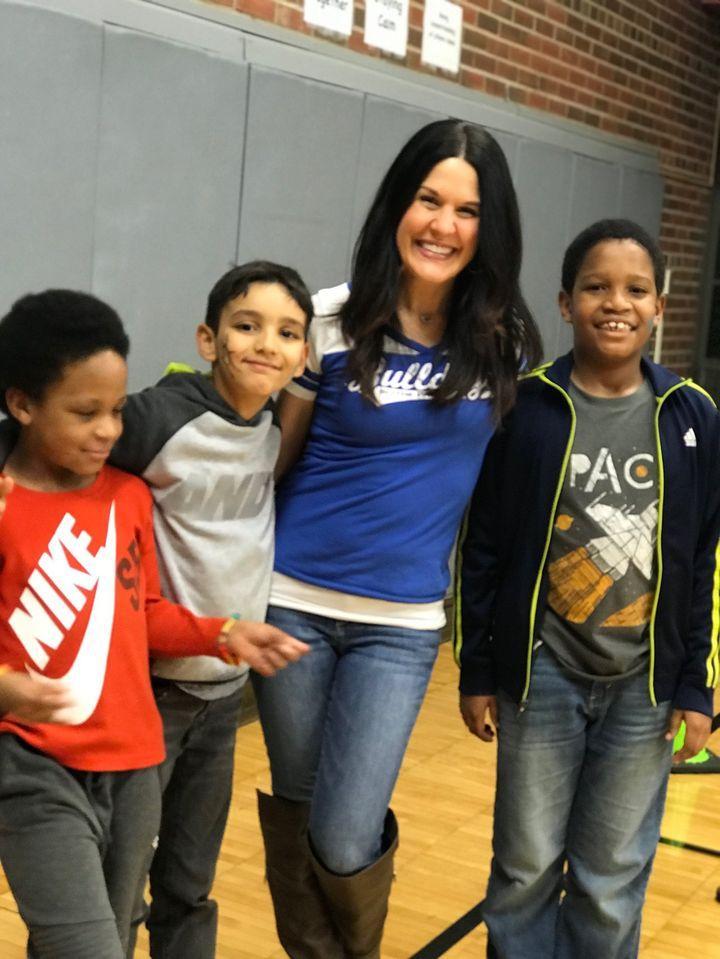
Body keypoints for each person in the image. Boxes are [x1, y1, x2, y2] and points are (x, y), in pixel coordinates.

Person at [252, 118, 543, 958]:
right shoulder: (331, 319)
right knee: (300, 815)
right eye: (428, 199)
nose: (443, 224)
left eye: (467, 209)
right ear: (399, 204)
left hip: (403, 624)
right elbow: (275, 461)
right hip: (292, 607)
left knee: (344, 837)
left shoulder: (503, 341)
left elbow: (495, 498)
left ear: (491, 228)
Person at [0, 289, 307, 959]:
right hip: (30, 763)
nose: (110, 430)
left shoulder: (128, 495)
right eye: (85, 413)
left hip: (135, 761)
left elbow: (142, 615)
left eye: (115, 410)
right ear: (22, 405)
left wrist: (222, 633)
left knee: (111, 930)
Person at [456, 218, 720, 959]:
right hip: (541, 678)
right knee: (526, 865)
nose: (617, 302)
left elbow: (705, 557)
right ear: (566, 302)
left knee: (611, 876)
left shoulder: (691, 415)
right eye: (597, 286)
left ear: (659, 306)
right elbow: (484, 546)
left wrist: (698, 685)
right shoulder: (527, 406)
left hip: (646, 686)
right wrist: (479, 665)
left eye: (636, 289)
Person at [106, 261, 313, 958]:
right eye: (246, 325)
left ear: (303, 354)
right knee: (116, 885)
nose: (266, 343)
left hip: (223, 701)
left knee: (189, 884)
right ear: (208, 337)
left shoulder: (274, 428)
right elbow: (60, 429)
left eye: (287, 332)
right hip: (148, 695)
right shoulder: (161, 415)